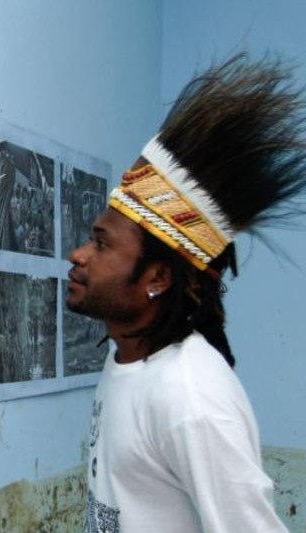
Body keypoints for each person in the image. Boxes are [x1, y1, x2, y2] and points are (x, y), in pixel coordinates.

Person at [66, 55, 306, 532]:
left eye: (101, 242)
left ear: (157, 278)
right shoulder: (131, 363)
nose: (78, 254)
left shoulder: (189, 396)